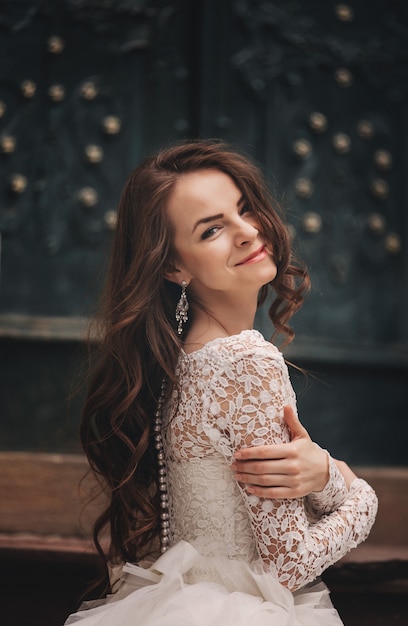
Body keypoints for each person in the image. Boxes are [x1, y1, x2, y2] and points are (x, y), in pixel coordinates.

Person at [65, 140, 377, 625]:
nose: (249, 231)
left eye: (245, 209)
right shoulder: (248, 362)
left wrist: (324, 475)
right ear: (174, 266)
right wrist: (358, 494)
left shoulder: (175, 364)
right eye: (212, 229)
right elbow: (287, 563)